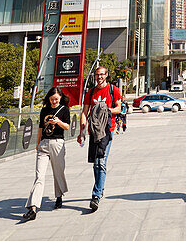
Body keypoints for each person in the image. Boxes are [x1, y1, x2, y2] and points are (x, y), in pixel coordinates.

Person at [22, 87, 70, 221]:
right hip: (44, 144)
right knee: (39, 176)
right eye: (51, 99)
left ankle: (59, 196)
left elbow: (67, 126)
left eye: (56, 99)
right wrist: (38, 144)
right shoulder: (44, 110)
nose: (54, 101)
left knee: (58, 172)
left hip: (57, 143)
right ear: (48, 98)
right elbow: (40, 129)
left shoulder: (64, 109)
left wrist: (58, 122)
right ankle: (33, 208)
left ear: (60, 97)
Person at [79, 65, 121, 212]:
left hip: (107, 131)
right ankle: (100, 188)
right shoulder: (90, 93)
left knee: (101, 162)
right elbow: (84, 112)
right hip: (93, 132)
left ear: (106, 75)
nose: (99, 77)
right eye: (97, 75)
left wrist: (104, 109)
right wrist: (81, 131)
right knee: (95, 163)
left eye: (102, 74)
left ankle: (96, 195)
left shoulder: (113, 90)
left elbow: (118, 108)